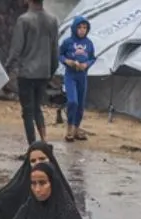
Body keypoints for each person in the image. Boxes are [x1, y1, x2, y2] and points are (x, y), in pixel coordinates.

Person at [5, 0, 59, 146]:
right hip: (44, 72)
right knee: (37, 109)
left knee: (28, 112)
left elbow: (16, 49)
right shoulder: (52, 20)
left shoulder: (24, 20)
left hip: (27, 73)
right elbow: (55, 50)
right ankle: (44, 142)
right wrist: (51, 71)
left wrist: (7, 68)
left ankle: (33, 147)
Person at [59, 15, 95, 143]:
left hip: (82, 76)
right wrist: (67, 61)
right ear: (74, 28)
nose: (82, 30)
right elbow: (60, 54)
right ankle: (69, 128)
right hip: (70, 75)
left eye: (85, 27)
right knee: (72, 101)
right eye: (79, 27)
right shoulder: (68, 42)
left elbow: (92, 58)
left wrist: (86, 64)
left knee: (80, 104)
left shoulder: (88, 43)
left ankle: (76, 128)